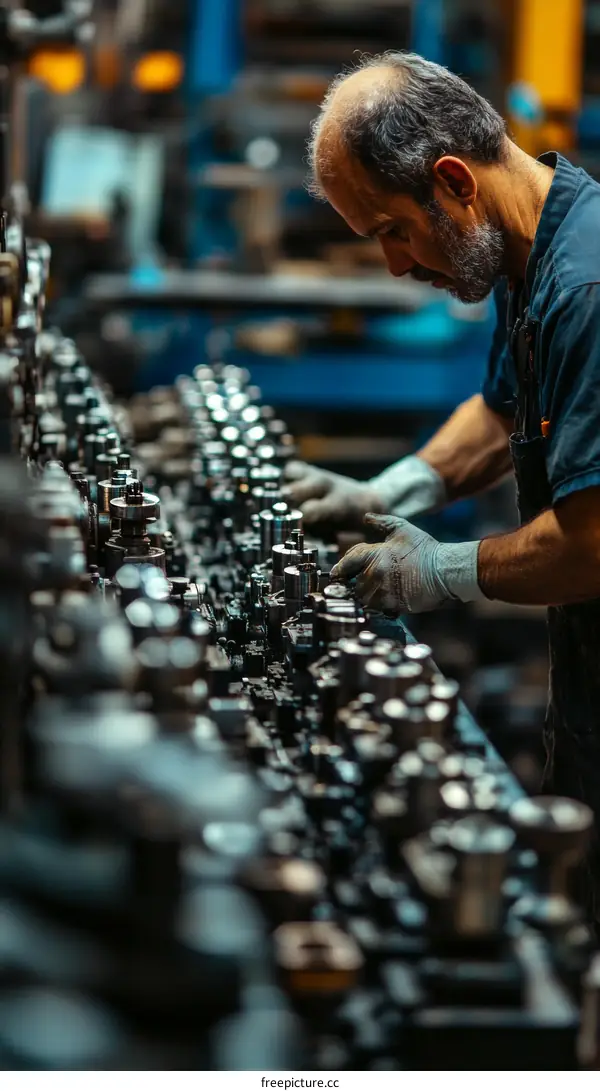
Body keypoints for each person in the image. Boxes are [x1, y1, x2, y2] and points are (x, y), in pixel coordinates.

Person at [282, 51, 600, 927]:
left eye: (392, 229)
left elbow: (591, 544)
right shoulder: (535, 244)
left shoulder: (588, 288)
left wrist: (440, 572)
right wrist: (399, 484)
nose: (392, 265)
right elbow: (504, 410)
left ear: (454, 182)